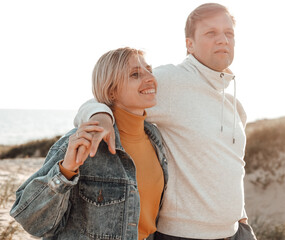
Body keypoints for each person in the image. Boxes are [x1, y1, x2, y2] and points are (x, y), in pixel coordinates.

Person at [74, 3, 257, 240]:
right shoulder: (173, 81)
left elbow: (231, 166)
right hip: (183, 235)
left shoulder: (234, 104)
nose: (222, 39)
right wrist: (101, 117)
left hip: (235, 231)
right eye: (211, 33)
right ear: (189, 44)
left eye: (228, 33)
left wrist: (241, 218)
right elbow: (100, 98)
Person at [10, 47, 168, 240]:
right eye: (135, 74)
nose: (150, 77)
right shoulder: (83, 142)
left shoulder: (156, 138)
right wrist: (66, 171)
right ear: (111, 91)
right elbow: (29, 219)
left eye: (149, 70)